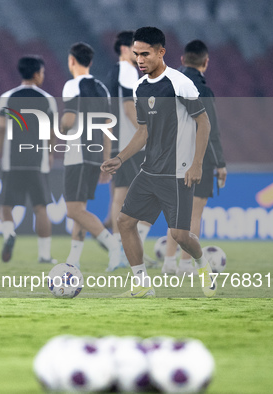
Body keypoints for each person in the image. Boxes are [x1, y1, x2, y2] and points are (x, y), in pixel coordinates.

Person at [101, 27, 215, 298]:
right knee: (124, 222)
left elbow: (204, 123)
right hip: (150, 170)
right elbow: (143, 131)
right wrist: (119, 158)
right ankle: (142, 284)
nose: (139, 59)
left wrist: (197, 164)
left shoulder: (179, 83)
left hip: (179, 172)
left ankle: (203, 264)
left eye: (145, 54)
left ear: (161, 52)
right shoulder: (139, 87)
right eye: (136, 54)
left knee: (179, 235)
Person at [163, 39, 227, 275]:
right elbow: (210, 130)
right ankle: (186, 265)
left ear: (182, 60)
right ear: (206, 62)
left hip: (170, 156)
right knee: (194, 213)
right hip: (198, 158)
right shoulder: (204, 90)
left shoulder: (166, 85)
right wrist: (220, 163)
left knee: (175, 211)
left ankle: (169, 263)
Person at [60, 42, 123, 271]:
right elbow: (109, 127)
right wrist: (106, 162)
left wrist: (58, 128)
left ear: (72, 61)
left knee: (73, 210)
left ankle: (113, 246)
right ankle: (73, 260)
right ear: (91, 62)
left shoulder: (71, 86)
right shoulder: (102, 89)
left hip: (78, 154)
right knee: (81, 209)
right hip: (97, 155)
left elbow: (68, 121)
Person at [0, 55, 57, 264]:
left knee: (6, 206)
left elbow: (1, 129)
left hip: (13, 162)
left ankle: (9, 232)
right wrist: (50, 153)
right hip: (37, 162)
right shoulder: (48, 99)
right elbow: (51, 132)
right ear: (37, 73)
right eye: (43, 73)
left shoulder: (7, 97)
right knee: (41, 208)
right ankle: (45, 255)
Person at [105, 31, 156, 267]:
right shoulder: (126, 70)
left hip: (118, 141)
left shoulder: (112, 73)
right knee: (154, 194)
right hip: (133, 142)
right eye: (136, 50)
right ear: (125, 49)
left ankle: (118, 252)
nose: (139, 56)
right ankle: (130, 249)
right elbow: (128, 107)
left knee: (120, 196)